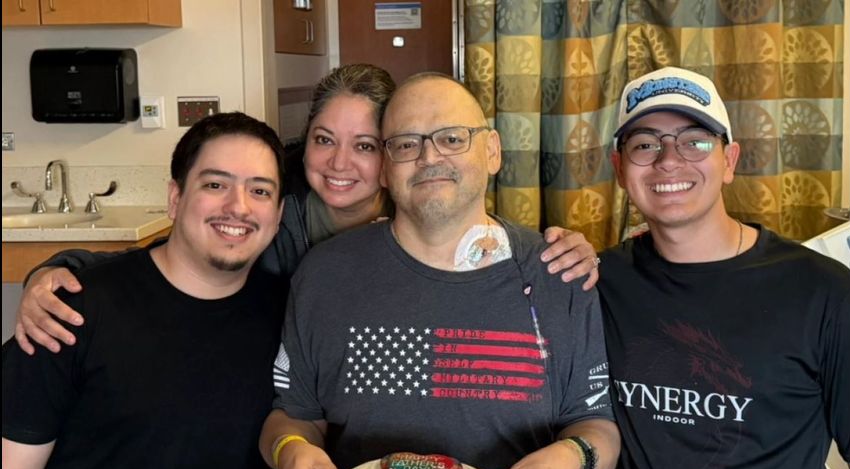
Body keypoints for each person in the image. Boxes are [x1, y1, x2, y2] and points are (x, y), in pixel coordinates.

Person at [12, 64, 601, 356]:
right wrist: (58, 270)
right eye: (324, 140)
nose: (339, 163)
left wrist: (567, 252)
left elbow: (490, 256)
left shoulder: (426, 219)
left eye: (365, 146)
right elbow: (167, 261)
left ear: (393, 155)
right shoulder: (268, 215)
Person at [258, 73, 620, 469]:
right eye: (406, 144)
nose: (429, 157)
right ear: (385, 167)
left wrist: (574, 458)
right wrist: (289, 449)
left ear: (493, 151)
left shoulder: (559, 271)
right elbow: (292, 415)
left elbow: (596, 425)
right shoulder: (322, 275)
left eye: (452, 138)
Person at [2, 112, 288, 469]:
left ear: (278, 214)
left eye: (260, 191)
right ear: (175, 198)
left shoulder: (290, 315)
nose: (238, 207)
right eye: (215, 185)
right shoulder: (68, 312)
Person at [597, 66, 850, 469]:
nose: (669, 160)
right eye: (645, 145)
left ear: (729, 160)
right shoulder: (598, 280)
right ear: (620, 168)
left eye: (695, 142)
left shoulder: (825, 292)